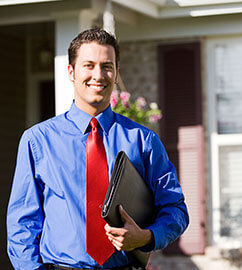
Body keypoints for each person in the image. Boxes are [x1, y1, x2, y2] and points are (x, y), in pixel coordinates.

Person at [7, 28, 189, 270]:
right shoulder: (38, 140)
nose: (98, 75)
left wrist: (145, 237)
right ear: (71, 72)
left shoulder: (143, 141)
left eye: (107, 66)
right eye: (89, 65)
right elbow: (22, 225)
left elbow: (176, 209)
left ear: (116, 74)